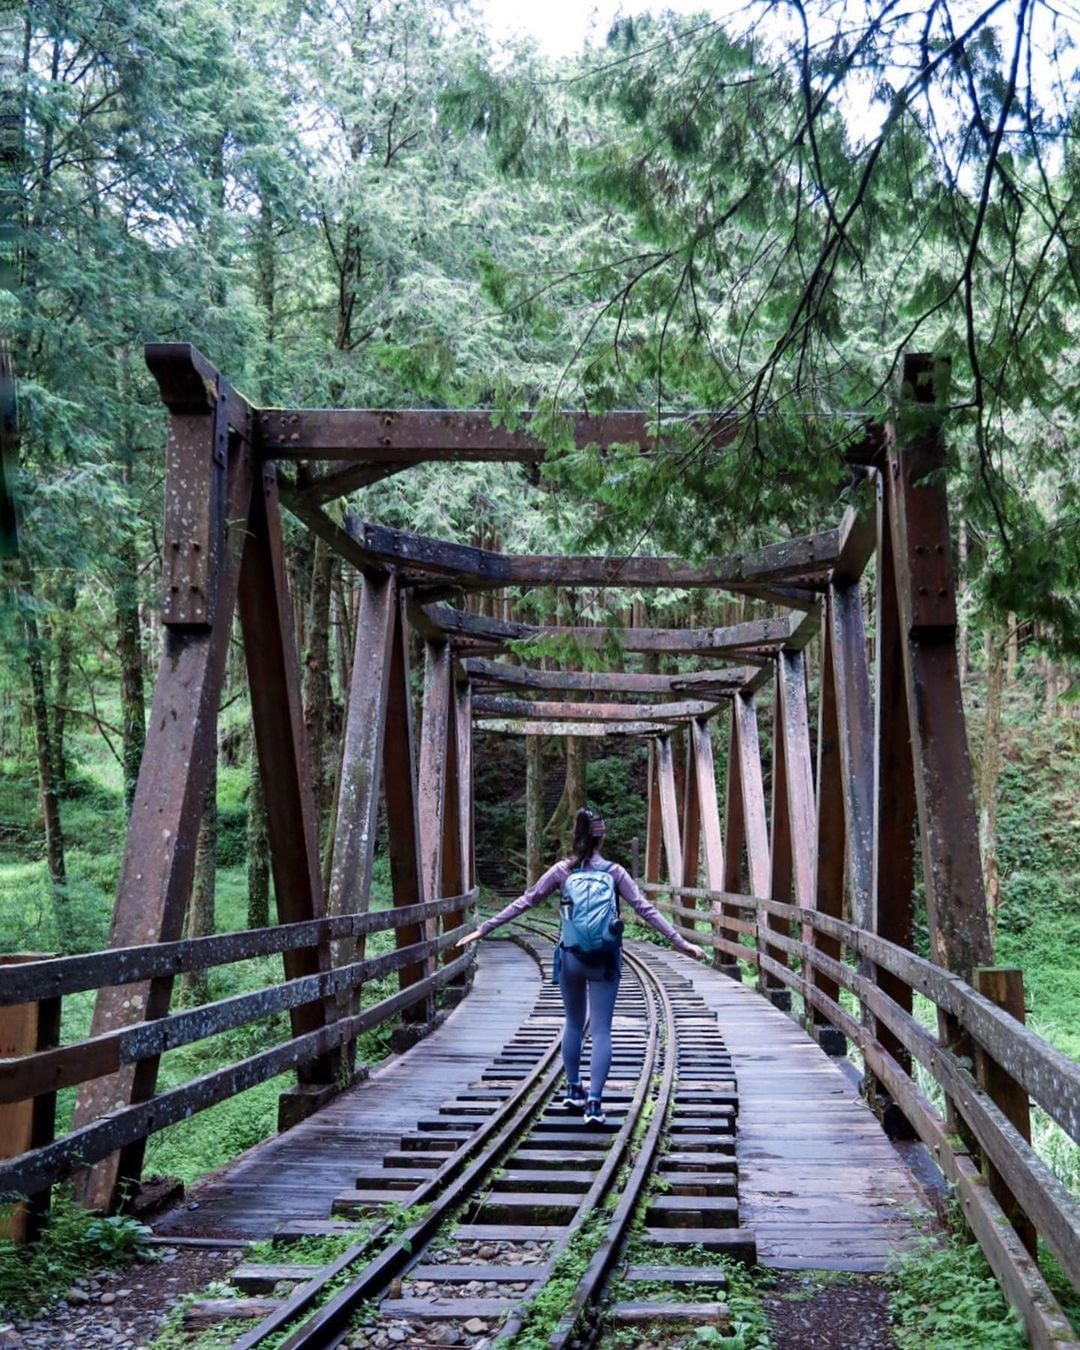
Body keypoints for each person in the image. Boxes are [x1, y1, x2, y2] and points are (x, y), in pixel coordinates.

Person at [457, 807, 706, 1125]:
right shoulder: (615, 873)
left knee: (574, 1024)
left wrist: (485, 928)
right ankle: (594, 1104)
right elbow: (645, 909)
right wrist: (680, 941)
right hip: (604, 960)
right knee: (601, 1029)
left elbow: (527, 900)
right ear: (601, 837)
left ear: (575, 836)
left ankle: (573, 1090)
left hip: (571, 958)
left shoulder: (563, 871)